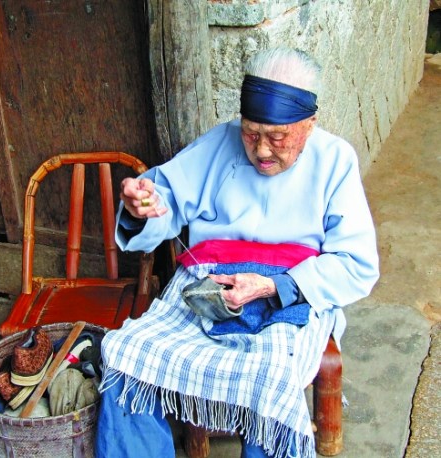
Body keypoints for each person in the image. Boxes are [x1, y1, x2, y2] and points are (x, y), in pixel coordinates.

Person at [94, 47, 379, 458]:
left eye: (277, 137)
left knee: (270, 379)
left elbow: (357, 264)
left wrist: (274, 286)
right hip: (206, 285)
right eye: (250, 133)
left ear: (309, 125)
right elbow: (165, 198)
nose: (261, 150)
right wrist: (142, 208)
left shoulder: (335, 161)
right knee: (126, 355)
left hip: (290, 294)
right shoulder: (219, 143)